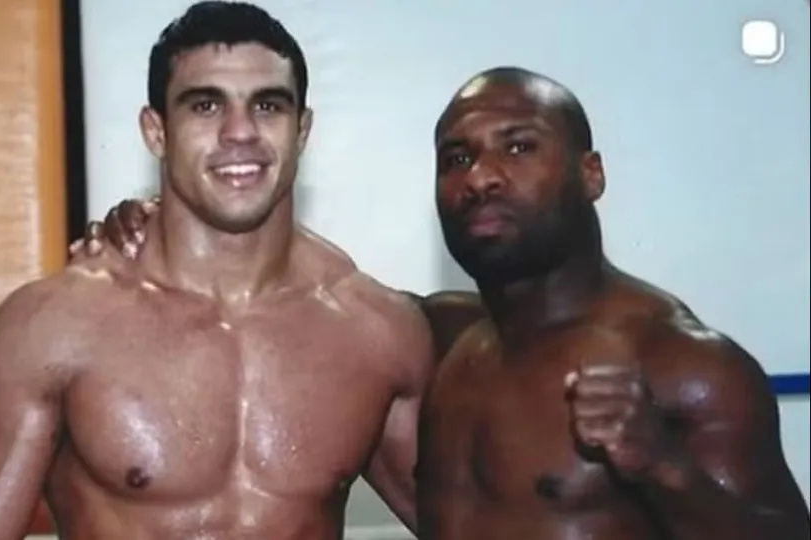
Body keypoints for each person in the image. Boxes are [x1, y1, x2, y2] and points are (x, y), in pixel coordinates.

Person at [79, 67, 811, 539]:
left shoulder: (683, 363)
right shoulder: (441, 336)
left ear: (590, 174)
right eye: (457, 158)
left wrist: (664, 467)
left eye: (518, 147)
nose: (481, 176)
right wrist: (174, 224)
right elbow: (299, 295)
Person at [0, 3, 433, 539]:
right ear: (156, 131)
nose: (240, 131)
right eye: (206, 106)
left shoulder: (374, 333)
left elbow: (467, 518)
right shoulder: (56, 327)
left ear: (302, 130)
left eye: (268, 105)